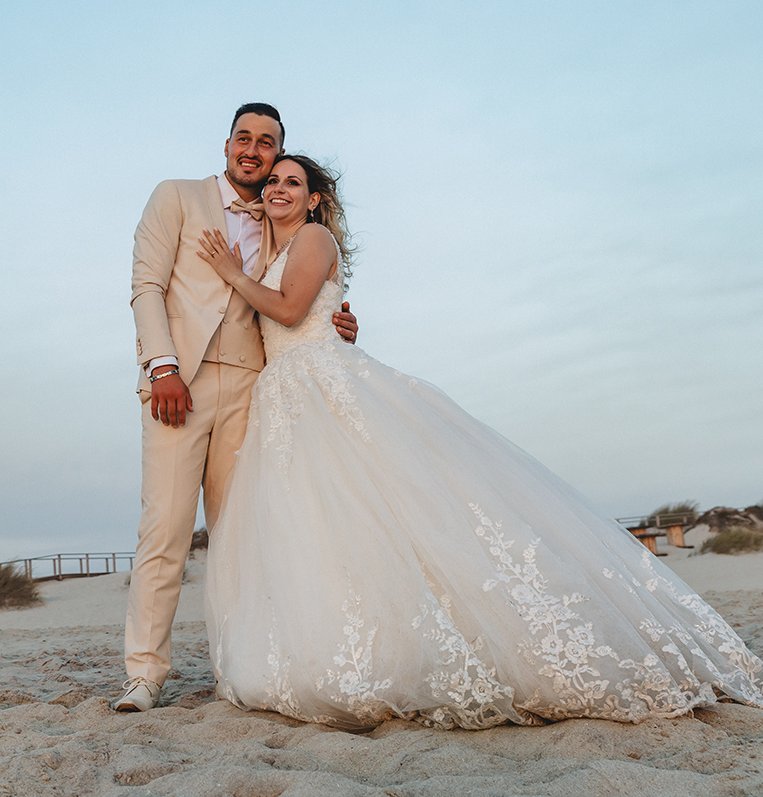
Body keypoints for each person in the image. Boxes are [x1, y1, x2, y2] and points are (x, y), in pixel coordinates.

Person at [198, 154, 763, 729]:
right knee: (318, 524)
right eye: (273, 181)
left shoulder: (313, 238)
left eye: (293, 182)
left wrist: (232, 273)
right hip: (286, 392)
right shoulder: (271, 251)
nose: (279, 188)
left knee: (386, 509)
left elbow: (291, 310)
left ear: (314, 198)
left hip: (319, 383)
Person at [118, 105, 360, 712]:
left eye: (267, 142)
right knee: (165, 529)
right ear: (226, 144)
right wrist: (163, 368)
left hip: (255, 387)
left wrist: (338, 322)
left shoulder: (283, 221)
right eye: (244, 138)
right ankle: (144, 673)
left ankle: (239, 667)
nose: (253, 149)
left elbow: (299, 293)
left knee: (239, 536)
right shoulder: (176, 196)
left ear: (278, 152)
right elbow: (146, 286)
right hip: (182, 384)